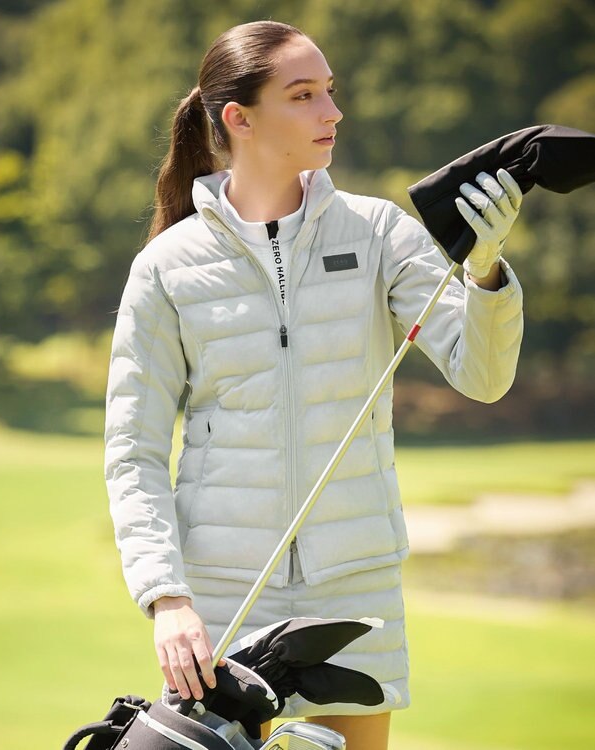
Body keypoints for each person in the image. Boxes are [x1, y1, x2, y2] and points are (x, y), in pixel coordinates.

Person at [104, 20, 524, 750]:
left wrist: (484, 272)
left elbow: (482, 377)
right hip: (224, 594)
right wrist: (166, 598)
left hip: (353, 585)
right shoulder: (167, 267)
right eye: (302, 95)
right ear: (239, 119)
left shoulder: (378, 233)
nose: (331, 111)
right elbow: (133, 451)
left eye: (328, 91)